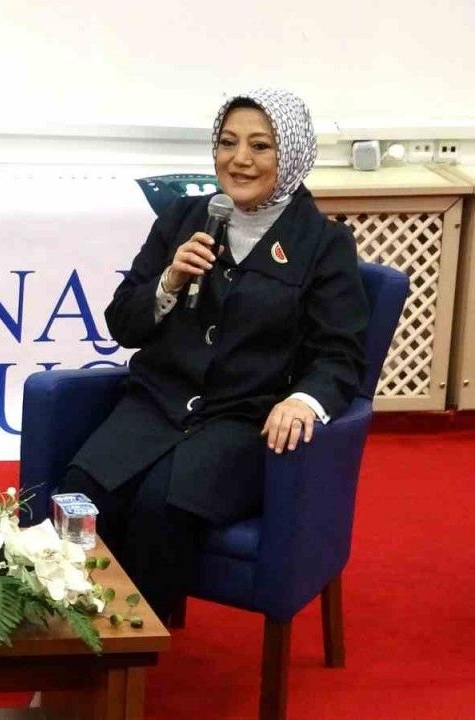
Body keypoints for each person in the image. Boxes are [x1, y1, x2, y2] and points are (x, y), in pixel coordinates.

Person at [59, 89, 369, 621]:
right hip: (157, 406)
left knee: (162, 505)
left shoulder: (323, 244)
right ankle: (64, 633)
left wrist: (303, 401)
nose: (239, 159)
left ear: (291, 154)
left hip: (242, 421)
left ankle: (134, 646)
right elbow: (123, 324)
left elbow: (340, 356)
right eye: (228, 143)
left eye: (260, 146)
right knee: (79, 494)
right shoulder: (184, 218)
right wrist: (169, 281)